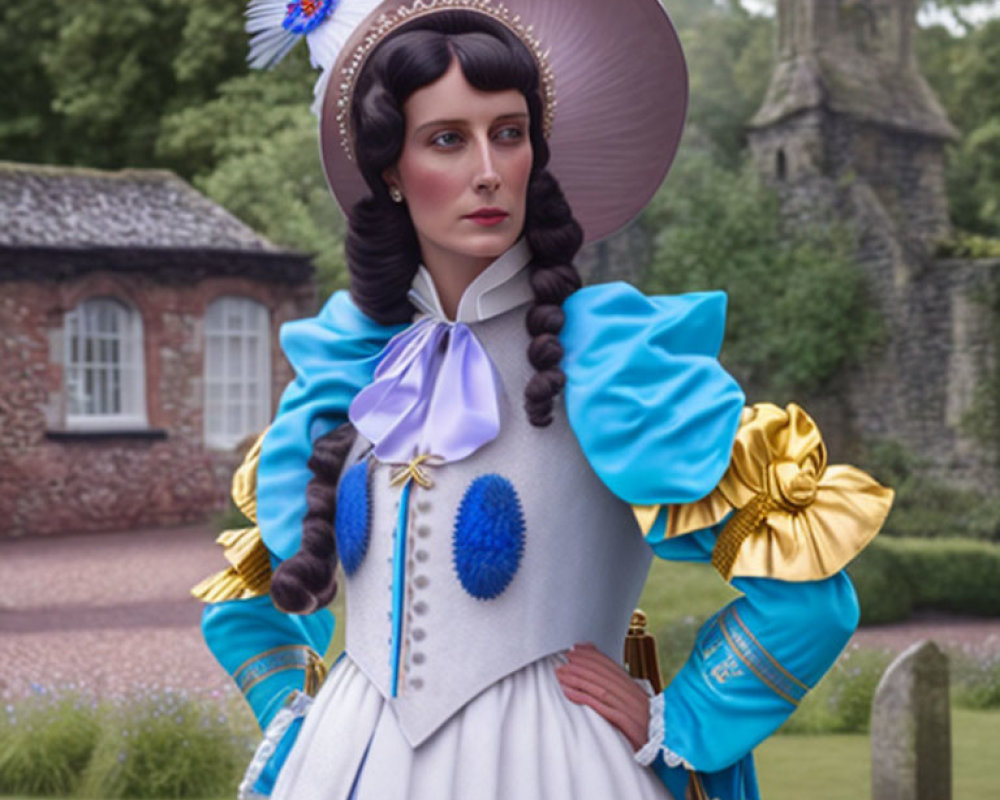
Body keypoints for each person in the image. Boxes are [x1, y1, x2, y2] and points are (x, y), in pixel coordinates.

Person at [193, 2, 894, 799]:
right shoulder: (350, 366)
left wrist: (683, 716)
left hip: (553, 766)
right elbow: (249, 594)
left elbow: (808, 598)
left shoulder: (612, 360)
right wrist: (298, 717)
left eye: (509, 132)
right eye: (448, 139)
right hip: (345, 763)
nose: (488, 169)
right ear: (392, 169)